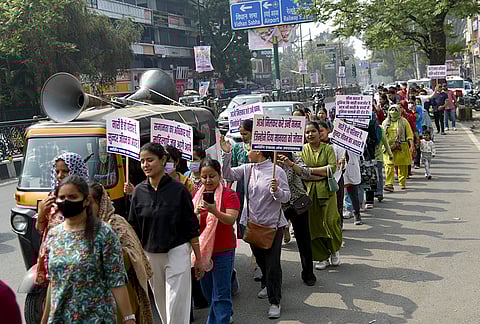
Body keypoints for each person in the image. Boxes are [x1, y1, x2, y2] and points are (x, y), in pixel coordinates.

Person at [128, 142, 205, 324]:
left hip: (177, 251)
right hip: (150, 255)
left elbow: (191, 226)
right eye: (142, 161)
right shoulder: (139, 192)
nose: (145, 165)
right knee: (162, 306)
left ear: (163, 160)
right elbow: (134, 228)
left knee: (176, 304)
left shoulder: (179, 190)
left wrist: (199, 258)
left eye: (150, 160)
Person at [43, 175, 135, 323]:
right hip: (61, 318)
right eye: (62, 197)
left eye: (73, 197)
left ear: (86, 200)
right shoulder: (54, 234)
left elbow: (116, 281)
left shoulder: (104, 234)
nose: (66, 201)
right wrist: (45, 318)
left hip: (96, 318)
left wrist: (129, 318)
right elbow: (53, 283)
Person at [220, 136, 290, 319]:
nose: (246, 151)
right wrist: (226, 154)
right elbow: (227, 174)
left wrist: (277, 191)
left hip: (273, 225)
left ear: (258, 151)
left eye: (249, 148)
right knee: (261, 260)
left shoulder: (278, 171)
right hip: (252, 223)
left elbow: (286, 198)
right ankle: (267, 284)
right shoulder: (247, 169)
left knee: (273, 263)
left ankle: (275, 301)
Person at [89, 182, 154, 324]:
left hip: (119, 296)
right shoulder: (77, 229)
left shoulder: (115, 224)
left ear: (101, 203)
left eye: (90, 203)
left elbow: (132, 256)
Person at [192, 158, 240, 324]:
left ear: (219, 175)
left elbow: (230, 220)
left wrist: (214, 210)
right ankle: (226, 312)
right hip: (202, 252)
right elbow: (189, 223)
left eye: (212, 176)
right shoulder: (196, 196)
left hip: (224, 251)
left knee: (220, 294)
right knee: (208, 292)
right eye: (204, 177)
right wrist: (195, 213)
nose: (207, 180)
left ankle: (221, 320)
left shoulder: (229, 194)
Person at [36, 152, 90, 285]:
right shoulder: (51, 198)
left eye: (65, 171)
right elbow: (41, 229)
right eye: (57, 171)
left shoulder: (89, 196)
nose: (60, 176)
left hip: (81, 257)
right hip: (55, 255)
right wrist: (42, 212)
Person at [299, 121, 343, 269]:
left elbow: (331, 168)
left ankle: (334, 250)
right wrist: (316, 173)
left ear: (319, 133)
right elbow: (301, 171)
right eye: (307, 132)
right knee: (314, 225)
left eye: (313, 131)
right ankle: (321, 256)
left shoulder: (328, 149)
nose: (310, 134)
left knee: (331, 222)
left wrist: (310, 171)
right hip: (309, 192)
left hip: (328, 191)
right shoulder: (302, 150)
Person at [276, 152, 317, 286]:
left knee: (304, 240)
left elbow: (306, 173)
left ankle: (308, 273)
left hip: (298, 203)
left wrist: (290, 164)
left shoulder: (294, 157)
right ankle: (272, 278)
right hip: (278, 206)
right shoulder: (268, 157)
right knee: (273, 242)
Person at [382, 105, 415, 191]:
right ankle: (389, 184)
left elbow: (409, 134)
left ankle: (402, 182)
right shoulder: (385, 123)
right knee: (388, 165)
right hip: (388, 147)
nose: (393, 112)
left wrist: (412, 145)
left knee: (402, 166)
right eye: (391, 110)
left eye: (395, 110)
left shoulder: (404, 122)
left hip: (402, 146)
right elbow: (381, 135)